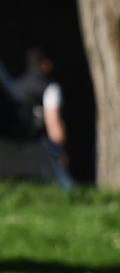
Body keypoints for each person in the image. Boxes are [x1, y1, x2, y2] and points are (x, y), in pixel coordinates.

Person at [13, 47, 73, 188]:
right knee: (66, 187)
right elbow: (54, 125)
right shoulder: (50, 88)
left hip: (16, 148)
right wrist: (60, 152)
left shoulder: (16, 87)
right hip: (41, 149)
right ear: (46, 64)